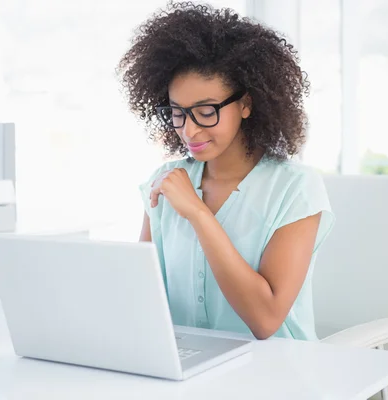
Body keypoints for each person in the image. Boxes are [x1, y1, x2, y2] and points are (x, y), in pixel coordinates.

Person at [117, 1, 335, 340]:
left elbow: (265, 320)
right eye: (177, 112)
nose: (189, 130)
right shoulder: (165, 182)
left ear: (246, 104)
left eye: (205, 111)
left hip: (277, 374)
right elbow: (139, 299)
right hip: (187, 371)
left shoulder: (295, 188)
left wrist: (198, 213)